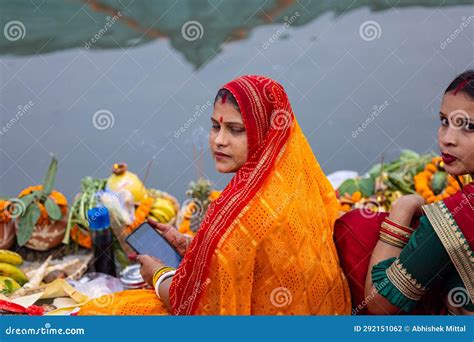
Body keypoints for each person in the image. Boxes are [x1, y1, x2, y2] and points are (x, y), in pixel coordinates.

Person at [79, 75, 351, 315]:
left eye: (235, 130)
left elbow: (195, 307)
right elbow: (247, 261)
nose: (219, 140)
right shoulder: (299, 182)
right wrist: (194, 248)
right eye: (215, 126)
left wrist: (158, 275)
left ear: (265, 133)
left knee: (102, 313)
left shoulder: (242, 211)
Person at [361, 70, 474, 315]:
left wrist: (402, 210)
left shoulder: (458, 217)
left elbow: (379, 303)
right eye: (445, 121)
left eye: (469, 127)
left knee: (358, 230)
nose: (447, 139)